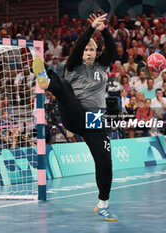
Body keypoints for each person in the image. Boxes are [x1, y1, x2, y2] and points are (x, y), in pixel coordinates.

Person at [32, 13, 118, 221]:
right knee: (65, 85)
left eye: (92, 49)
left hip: (95, 120)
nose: (88, 52)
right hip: (73, 113)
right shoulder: (73, 66)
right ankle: (46, 81)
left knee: (105, 162)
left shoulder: (101, 67)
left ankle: (103, 204)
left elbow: (113, 50)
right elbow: (78, 47)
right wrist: (90, 30)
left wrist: (103, 30)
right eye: (86, 49)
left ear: (97, 52)